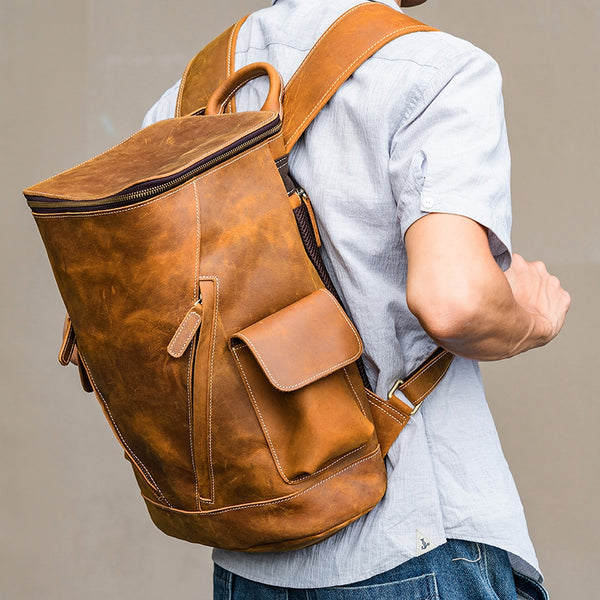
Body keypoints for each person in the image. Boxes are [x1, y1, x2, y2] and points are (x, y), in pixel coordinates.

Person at [142, 0, 570, 598]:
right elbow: (454, 301)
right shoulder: (435, 69)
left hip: (251, 554)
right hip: (412, 536)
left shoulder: (188, 96)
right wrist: (532, 317)